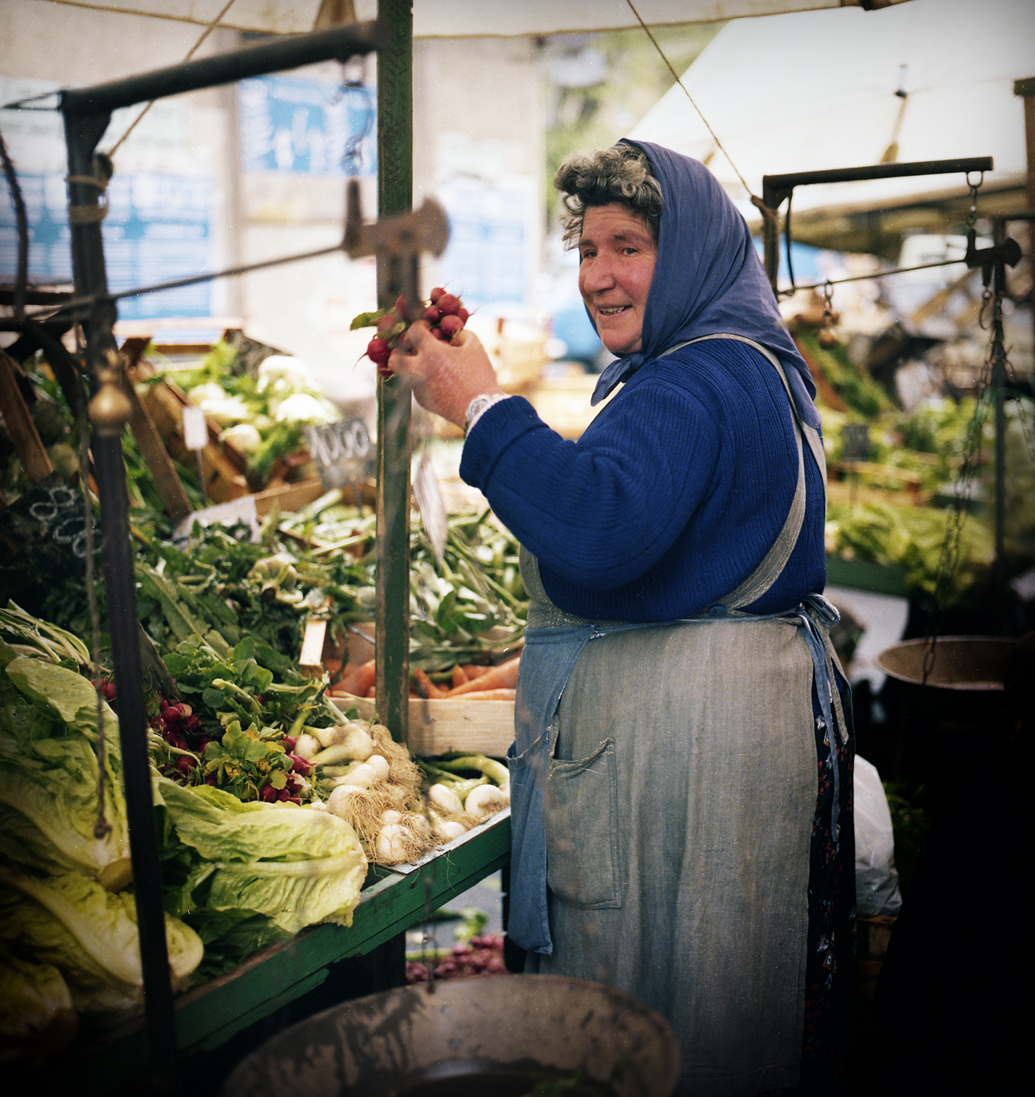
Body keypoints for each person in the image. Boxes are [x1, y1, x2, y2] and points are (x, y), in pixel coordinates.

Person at [387, 140, 855, 1097]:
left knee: (652, 1027)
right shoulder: (747, 365)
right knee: (709, 1005)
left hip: (689, 763)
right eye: (586, 249)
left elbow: (600, 528)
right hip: (717, 747)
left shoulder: (697, 379)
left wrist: (480, 407)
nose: (598, 276)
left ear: (685, 256)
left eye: (628, 246)